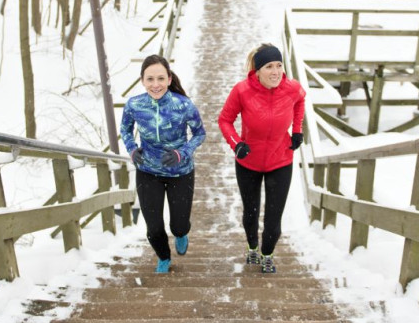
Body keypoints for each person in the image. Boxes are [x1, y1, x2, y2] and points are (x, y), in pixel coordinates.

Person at [218, 43, 305, 274]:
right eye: (269, 67)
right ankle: (252, 247)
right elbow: (224, 120)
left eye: (279, 65)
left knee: (274, 219)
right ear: (257, 71)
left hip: (281, 160)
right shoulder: (242, 91)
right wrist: (237, 144)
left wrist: (297, 130)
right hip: (249, 162)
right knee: (251, 212)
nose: (276, 71)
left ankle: (267, 254)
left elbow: (300, 101)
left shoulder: (292, 88)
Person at [120, 54, 206, 273]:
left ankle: (181, 233)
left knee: (178, 224)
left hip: (180, 171)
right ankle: (164, 257)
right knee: (154, 226)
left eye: (160, 78)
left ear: (169, 79)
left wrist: (182, 153)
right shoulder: (134, 105)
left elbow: (199, 133)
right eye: (150, 79)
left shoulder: (183, 105)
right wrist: (131, 149)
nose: (155, 84)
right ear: (142, 81)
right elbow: (125, 129)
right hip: (148, 170)